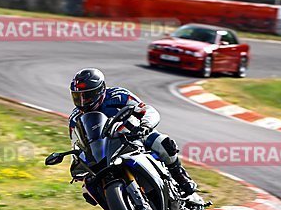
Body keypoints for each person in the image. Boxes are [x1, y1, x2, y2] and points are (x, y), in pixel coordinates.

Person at [67, 68, 197, 196]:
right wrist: (77, 163)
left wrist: (145, 126)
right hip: (102, 152)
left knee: (161, 142)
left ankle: (180, 175)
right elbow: (76, 144)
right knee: (88, 188)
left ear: (100, 90)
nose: (83, 102)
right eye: (78, 97)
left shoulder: (118, 95)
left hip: (130, 136)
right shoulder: (74, 118)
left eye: (87, 96)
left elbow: (146, 110)